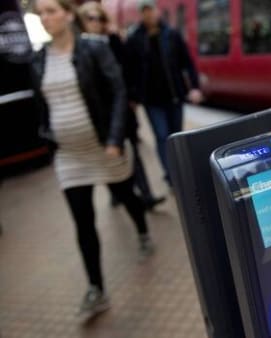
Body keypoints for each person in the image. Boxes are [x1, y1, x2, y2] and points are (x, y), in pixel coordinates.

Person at [32, 0, 154, 316]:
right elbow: (43, 106)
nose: (45, 18)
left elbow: (118, 92)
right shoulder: (38, 58)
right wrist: (49, 138)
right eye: (40, 12)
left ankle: (142, 230)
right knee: (83, 221)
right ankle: (96, 289)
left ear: (68, 14)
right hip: (69, 155)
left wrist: (115, 139)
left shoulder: (94, 48)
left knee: (126, 195)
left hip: (104, 147)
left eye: (51, 11)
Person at [76, 1, 166, 210]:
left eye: (99, 17)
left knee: (133, 152)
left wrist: (133, 97)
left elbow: (129, 69)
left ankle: (146, 195)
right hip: (97, 115)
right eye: (90, 18)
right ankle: (117, 193)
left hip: (121, 109)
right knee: (107, 156)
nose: (96, 22)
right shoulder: (78, 50)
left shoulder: (114, 41)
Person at [125, 0, 202, 185]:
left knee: (177, 136)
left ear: (157, 11)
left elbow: (187, 62)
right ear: (140, 14)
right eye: (144, 11)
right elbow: (130, 71)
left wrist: (194, 87)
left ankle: (182, 171)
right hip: (152, 101)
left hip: (174, 96)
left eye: (150, 10)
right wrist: (134, 97)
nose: (148, 14)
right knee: (162, 136)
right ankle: (171, 176)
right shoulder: (134, 39)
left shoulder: (172, 34)